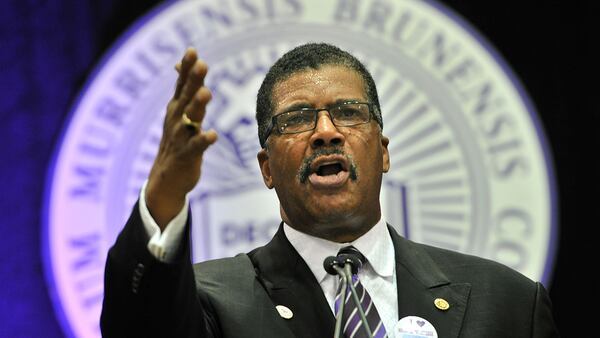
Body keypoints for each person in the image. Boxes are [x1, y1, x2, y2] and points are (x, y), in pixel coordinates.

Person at [100, 43, 560, 337]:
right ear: (267, 169)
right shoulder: (211, 302)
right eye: (296, 119)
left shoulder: (507, 304)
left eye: (348, 111)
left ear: (382, 153)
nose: (325, 131)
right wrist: (163, 200)